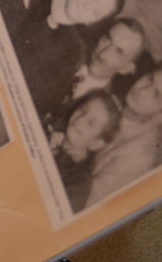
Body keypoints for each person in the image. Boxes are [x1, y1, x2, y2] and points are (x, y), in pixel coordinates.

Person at [18, 18, 146, 119]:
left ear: (126, 68)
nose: (103, 53)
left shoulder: (103, 110)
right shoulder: (67, 49)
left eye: (118, 52)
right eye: (107, 39)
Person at [87, 66, 162, 207]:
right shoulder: (120, 100)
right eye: (150, 78)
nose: (142, 90)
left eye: (156, 94)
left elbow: (83, 204)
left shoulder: (135, 158)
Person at [46, 90, 122, 213]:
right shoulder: (50, 128)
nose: (80, 118)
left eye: (91, 123)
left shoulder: (79, 181)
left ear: (96, 143)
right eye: (83, 109)